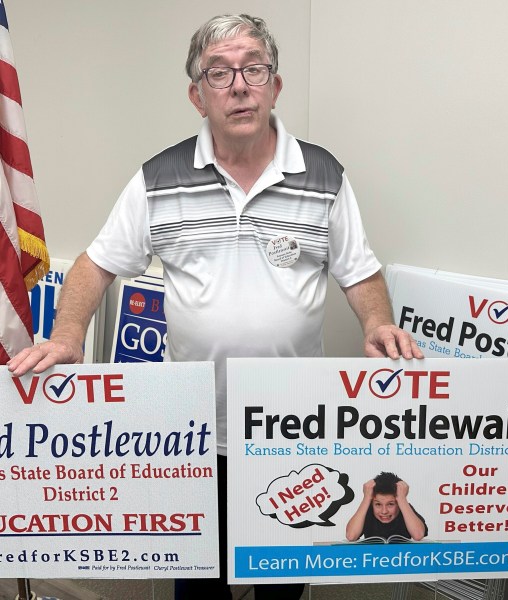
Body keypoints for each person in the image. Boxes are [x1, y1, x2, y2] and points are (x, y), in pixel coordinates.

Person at [8, 13, 423, 600]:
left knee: (281, 589)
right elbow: (96, 263)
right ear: (196, 95)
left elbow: (359, 271)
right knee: (200, 590)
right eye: (219, 72)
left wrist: (378, 321)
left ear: (275, 85)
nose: (239, 84)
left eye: (254, 68)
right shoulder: (160, 177)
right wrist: (70, 333)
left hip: (290, 435)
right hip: (194, 434)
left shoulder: (323, 174)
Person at [346, 472, 428, 542]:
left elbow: (418, 535)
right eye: (378, 504)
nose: (384, 511)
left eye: (391, 504)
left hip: (402, 557)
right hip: (371, 557)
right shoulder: (367, 509)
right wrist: (366, 497)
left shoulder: (405, 508)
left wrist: (402, 499)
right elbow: (351, 536)